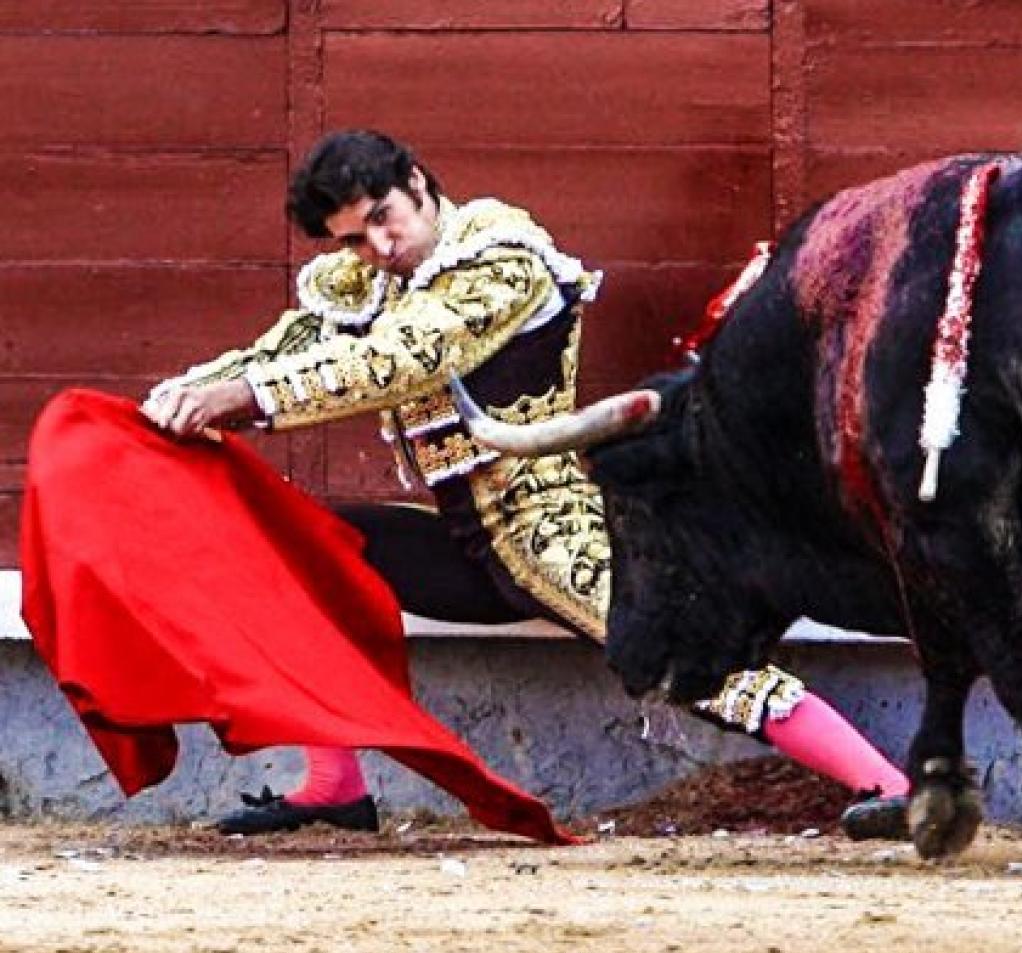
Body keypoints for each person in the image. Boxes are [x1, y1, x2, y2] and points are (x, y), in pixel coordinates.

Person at [139, 129, 910, 840]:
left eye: (385, 218)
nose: (380, 246)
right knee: (290, 552)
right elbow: (276, 353)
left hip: (549, 523)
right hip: (464, 537)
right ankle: (333, 784)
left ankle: (893, 786)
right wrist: (167, 404)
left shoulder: (504, 262)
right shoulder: (362, 281)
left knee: (685, 656)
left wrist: (251, 402)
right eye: (355, 238)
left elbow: (406, 357)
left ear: (416, 181)